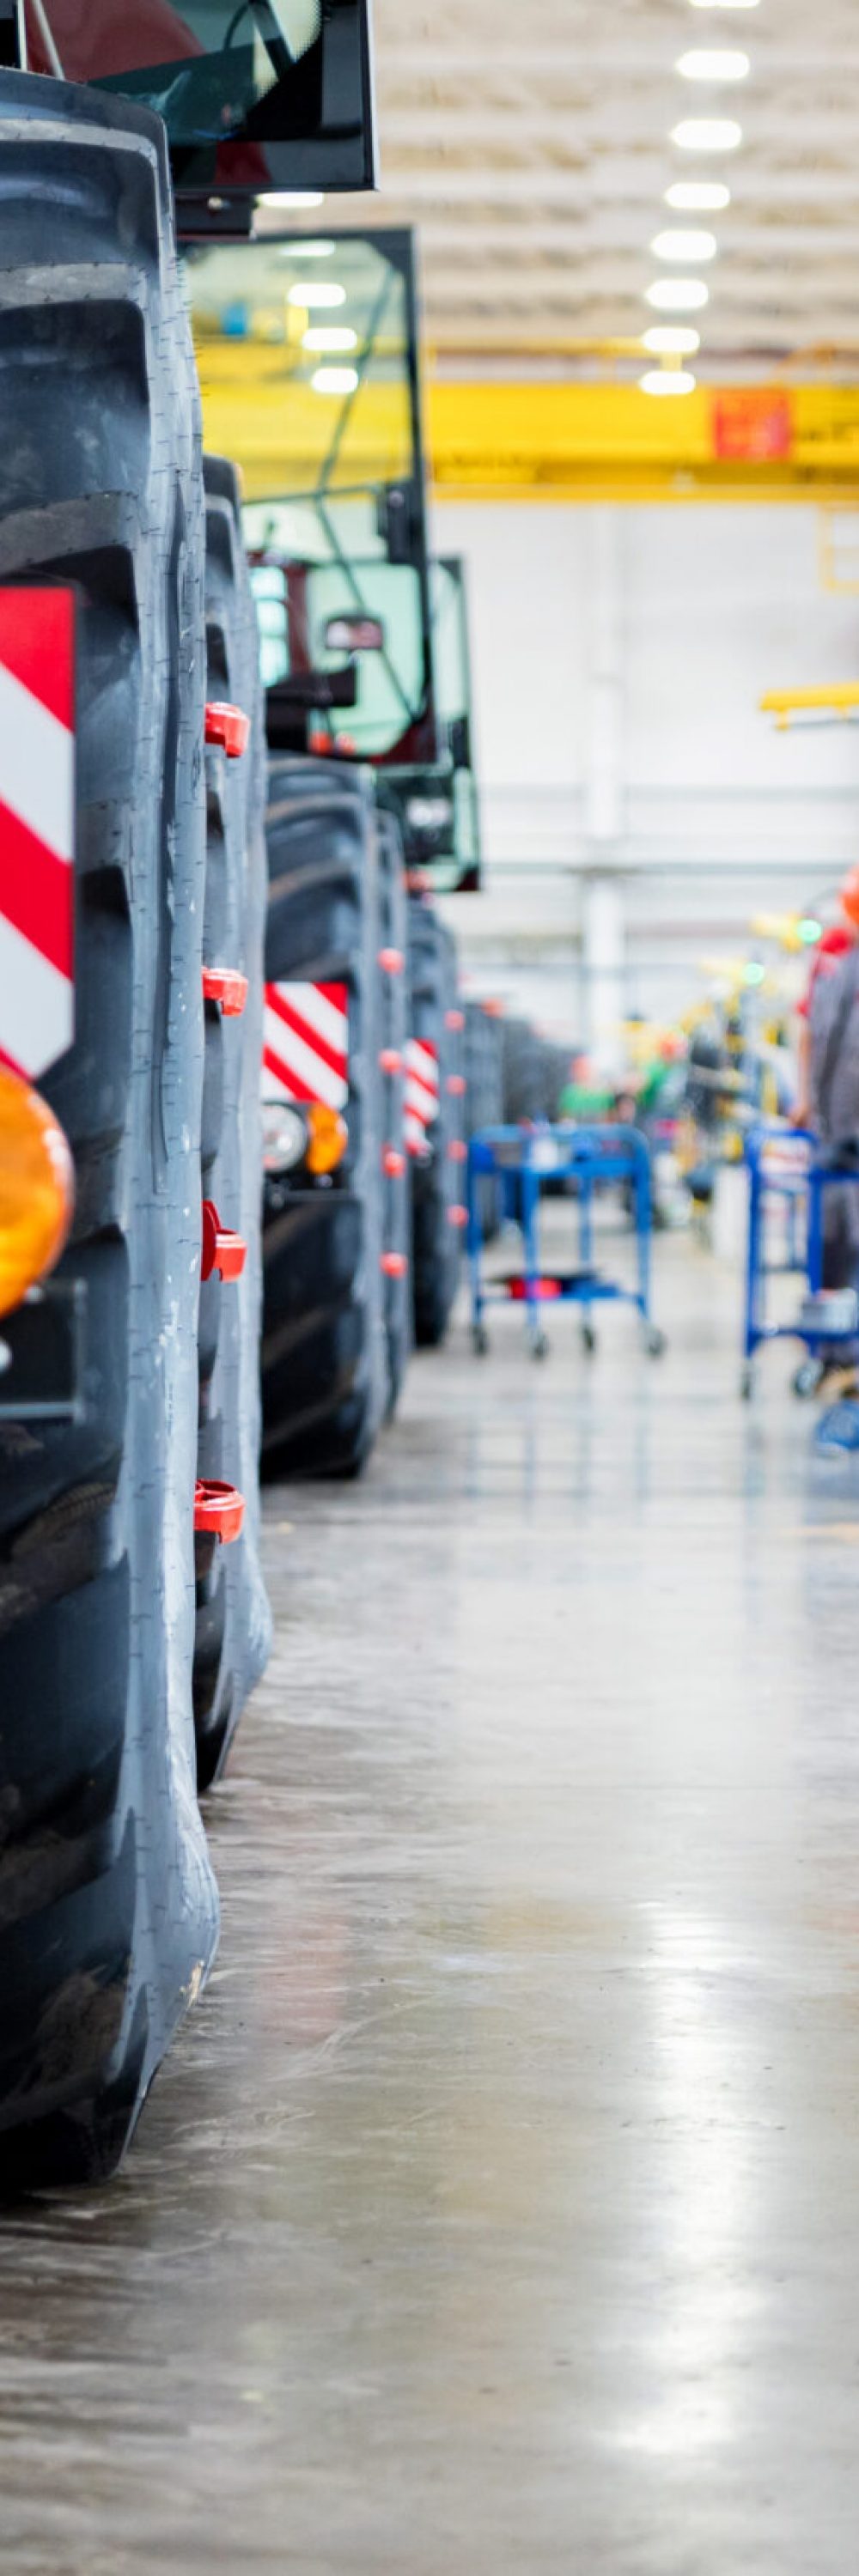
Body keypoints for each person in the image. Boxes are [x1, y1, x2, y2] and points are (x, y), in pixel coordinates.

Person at [800, 878, 859, 1396]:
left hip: (841, 1127)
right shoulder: (837, 956)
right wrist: (808, 1104)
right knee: (837, 1241)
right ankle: (838, 1353)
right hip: (838, 1133)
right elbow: (815, 1038)